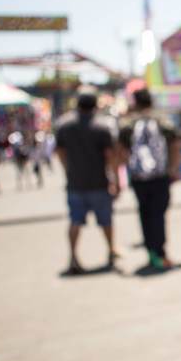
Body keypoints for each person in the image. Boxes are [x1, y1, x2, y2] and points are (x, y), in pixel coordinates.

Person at [54, 88, 120, 274]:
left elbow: (59, 152)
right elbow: (110, 157)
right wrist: (115, 180)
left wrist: (68, 169)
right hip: (99, 182)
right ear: (95, 106)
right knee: (106, 221)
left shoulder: (64, 125)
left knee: (75, 221)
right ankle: (110, 251)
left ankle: (73, 257)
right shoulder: (101, 127)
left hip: (75, 182)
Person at [118, 88, 181, 271]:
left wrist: (124, 171)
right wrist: (173, 168)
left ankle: (152, 254)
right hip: (160, 176)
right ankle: (160, 254)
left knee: (144, 214)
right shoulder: (162, 120)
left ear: (135, 102)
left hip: (139, 178)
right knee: (158, 214)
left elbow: (120, 150)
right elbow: (175, 143)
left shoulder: (128, 123)